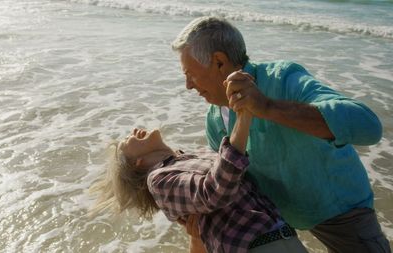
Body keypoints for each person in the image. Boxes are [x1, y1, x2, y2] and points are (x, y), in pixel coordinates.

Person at [171, 16, 391, 253]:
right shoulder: (214, 121)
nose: (188, 85)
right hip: (278, 219)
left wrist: (268, 107)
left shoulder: (283, 78)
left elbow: (368, 127)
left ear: (219, 62)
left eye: (190, 74)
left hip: (340, 210)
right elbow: (231, 184)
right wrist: (202, 216)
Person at [90, 110, 308, 252]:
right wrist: (243, 117)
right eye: (126, 142)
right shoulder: (158, 180)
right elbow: (214, 191)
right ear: (136, 162)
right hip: (257, 245)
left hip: (283, 237)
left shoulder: (195, 155)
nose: (133, 132)